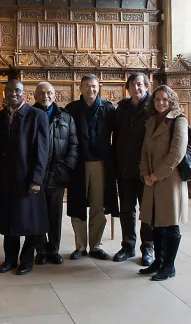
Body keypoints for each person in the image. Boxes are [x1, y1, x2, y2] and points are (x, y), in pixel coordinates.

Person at [0, 79, 49, 275]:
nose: (13, 94)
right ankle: (9, 259)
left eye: (17, 90)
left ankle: (26, 259)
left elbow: (42, 150)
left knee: (30, 222)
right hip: (6, 180)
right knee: (9, 223)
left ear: (24, 93)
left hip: (28, 179)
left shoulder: (37, 115)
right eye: (9, 90)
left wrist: (37, 179)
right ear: (4, 93)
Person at [65, 74, 118, 261]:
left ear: (99, 87)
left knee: (98, 205)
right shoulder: (71, 109)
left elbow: (117, 135)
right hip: (78, 163)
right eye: (87, 86)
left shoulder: (108, 108)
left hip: (101, 163)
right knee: (78, 204)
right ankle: (80, 246)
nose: (91, 90)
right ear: (80, 88)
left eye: (94, 86)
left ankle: (95, 245)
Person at [138, 85, 188, 281]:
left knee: (170, 224)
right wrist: (145, 174)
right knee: (155, 223)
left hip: (169, 179)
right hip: (151, 180)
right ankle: (158, 262)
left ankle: (169, 266)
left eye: (165, 99)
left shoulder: (179, 121)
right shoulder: (151, 122)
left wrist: (157, 175)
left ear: (172, 100)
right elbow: (144, 151)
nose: (161, 103)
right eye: (157, 99)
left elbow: (177, 153)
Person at [32, 82, 78, 265]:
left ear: (55, 95)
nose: (46, 96)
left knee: (55, 214)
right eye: (42, 93)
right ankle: (40, 249)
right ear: (35, 96)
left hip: (57, 173)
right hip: (36, 175)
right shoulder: (29, 116)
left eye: (49, 93)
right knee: (37, 213)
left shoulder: (66, 118)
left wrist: (64, 169)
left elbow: (74, 145)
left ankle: (54, 249)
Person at [112, 73, 155, 266]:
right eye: (132, 85)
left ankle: (148, 248)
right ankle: (128, 246)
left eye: (140, 84)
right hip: (125, 168)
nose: (136, 88)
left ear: (146, 86)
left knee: (146, 211)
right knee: (127, 209)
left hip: (146, 169)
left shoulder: (154, 107)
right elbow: (116, 136)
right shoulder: (122, 108)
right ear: (127, 88)